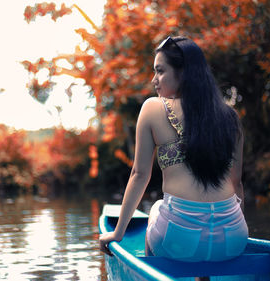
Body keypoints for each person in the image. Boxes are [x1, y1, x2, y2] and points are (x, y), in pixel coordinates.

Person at [99, 36, 248, 263]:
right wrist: (236, 229)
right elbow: (236, 183)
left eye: (160, 71)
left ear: (184, 73)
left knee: (157, 207)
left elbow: (140, 175)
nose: (154, 79)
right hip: (233, 239)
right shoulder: (230, 117)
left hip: (180, 240)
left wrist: (118, 233)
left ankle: (154, 275)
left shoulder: (152, 107)